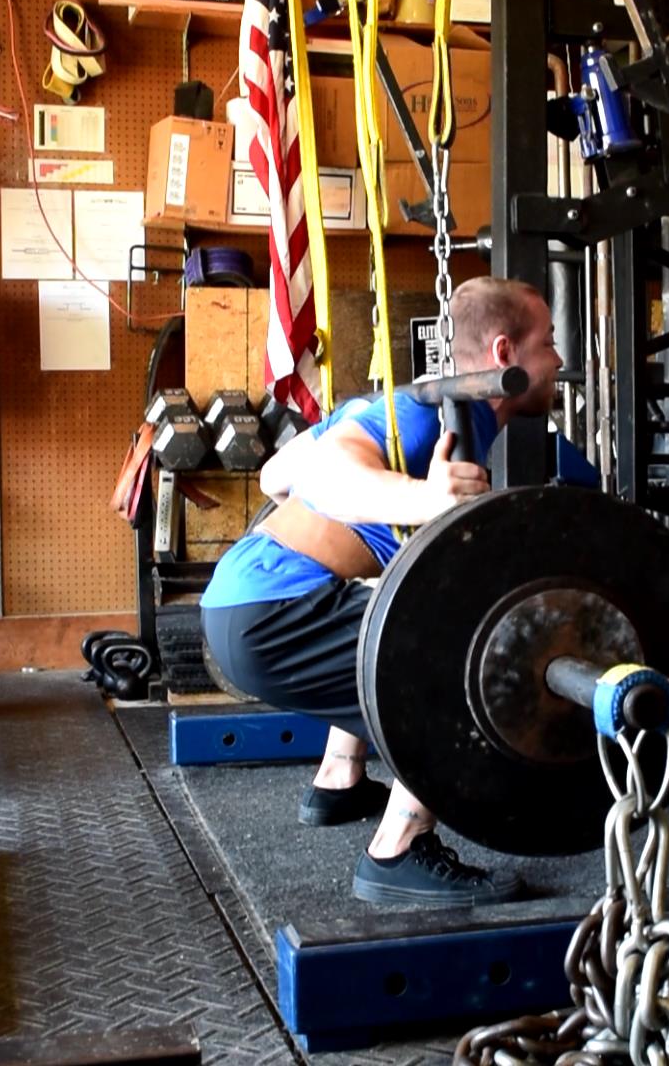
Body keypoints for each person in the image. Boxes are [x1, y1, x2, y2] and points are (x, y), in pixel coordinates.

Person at [198, 276, 565, 907]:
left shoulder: (421, 414)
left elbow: (275, 475)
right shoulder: (427, 410)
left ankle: (339, 777)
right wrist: (422, 498)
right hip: (274, 614)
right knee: (474, 663)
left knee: (402, 607)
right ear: (505, 354)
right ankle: (397, 850)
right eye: (550, 343)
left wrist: (368, 528)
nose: (560, 361)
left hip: (239, 605)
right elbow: (321, 472)